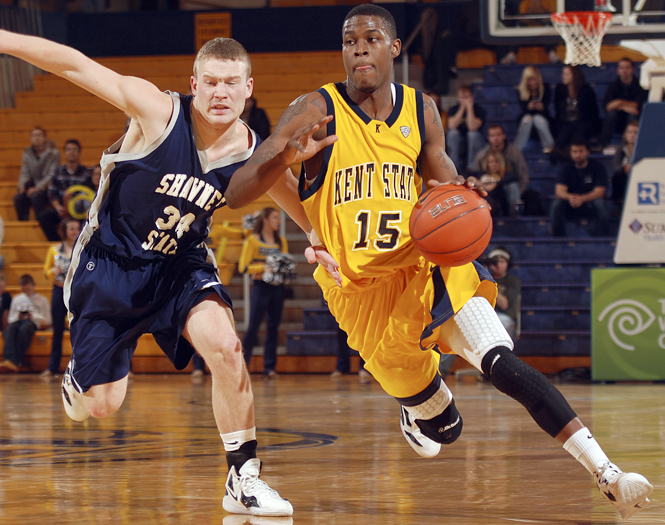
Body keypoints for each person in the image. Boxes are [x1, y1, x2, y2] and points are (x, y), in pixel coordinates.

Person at [226, 4, 652, 519]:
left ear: (394, 47)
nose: (359, 47)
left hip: (424, 267)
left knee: (502, 363)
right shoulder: (315, 109)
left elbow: (444, 178)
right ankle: (416, 409)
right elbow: (238, 192)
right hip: (361, 295)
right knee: (447, 430)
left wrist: (460, 192)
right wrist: (284, 158)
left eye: (371, 37)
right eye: (349, 40)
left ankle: (606, 472)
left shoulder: (421, 109)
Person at [0, 30, 325, 517]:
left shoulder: (252, 147)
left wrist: (318, 237)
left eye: (231, 83)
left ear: (248, 87)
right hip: (111, 264)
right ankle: (78, 377)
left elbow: (288, 190)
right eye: (211, 82)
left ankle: (244, 477)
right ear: (193, 83)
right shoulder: (157, 112)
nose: (220, 93)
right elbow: (74, 64)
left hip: (181, 264)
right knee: (102, 405)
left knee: (227, 347)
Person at [238, 207, 288, 379]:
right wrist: (263, 267)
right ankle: (243, 366)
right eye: (275, 217)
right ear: (265, 219)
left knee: (273, 328)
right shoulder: (252, 241)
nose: (278, 221)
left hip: (277, 288)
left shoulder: (281, 241)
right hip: (260, 287)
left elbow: (284, 264)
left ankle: (270, 368)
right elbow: (243, 267)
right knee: (253, 327)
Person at [40, 218, 82, 382]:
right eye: (71, 229)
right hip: (58, 290)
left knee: (78, 330)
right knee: (57, 330)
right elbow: (45, 272)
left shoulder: (82, 248)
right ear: (64, 231)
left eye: (76, 229)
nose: (74, 232)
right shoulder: (54, 249)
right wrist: (52, 271)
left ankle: (79, 366)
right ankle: (52, 367)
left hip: (76, 292)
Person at [550, 136, 610, 237]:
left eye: (581, 151)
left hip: (589, 203)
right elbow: (559, 191)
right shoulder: (566, 168)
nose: (577, 155)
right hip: (571, 204)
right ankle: (558, 239)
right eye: (574, 151)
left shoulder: (597, 167)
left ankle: (602, 238)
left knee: (600, 203)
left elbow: (600, 191)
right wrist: (571, 197)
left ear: (587, 152)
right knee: (556, 204)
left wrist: (582, 198)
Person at [38, 140, 91, 241]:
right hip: (62, 208)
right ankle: (58, 243)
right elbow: (52, 193)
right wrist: (58, 207)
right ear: (65, 152)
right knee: (43, 217)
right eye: (69, 149)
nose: (72, 152)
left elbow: (88, 194)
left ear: (79, 153)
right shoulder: (57, 172)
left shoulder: (86, 173)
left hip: (79, 210)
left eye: (75, 149)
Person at [471, 124, 529, 213]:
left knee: (512, 185)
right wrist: (482, 184)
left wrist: (518, 192)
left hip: (507, 189)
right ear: (489, 138)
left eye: (498, 135)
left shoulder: (514, 153)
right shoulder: (482, 155)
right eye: (492, 136)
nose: (496, 138)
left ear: (504, 136)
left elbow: (522, 174)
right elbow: (474, 173)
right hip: (487, 189)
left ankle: (515, 214)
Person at [0, 274, 51, 372]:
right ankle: (11, 360)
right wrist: (18, 316)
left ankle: (12, 361)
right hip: (18, 321)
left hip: (32, 322)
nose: (27, 292)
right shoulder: (17, 299)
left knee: (25, 328)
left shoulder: (42, 299)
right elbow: (10, 318)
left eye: (29, 289)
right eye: (24, 290)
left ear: (34, 285)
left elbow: (48, 319)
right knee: (9, 329)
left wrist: (33, 316)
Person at [600, 58, 647, 154]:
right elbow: (607, 107)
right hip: (618, 120)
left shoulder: (640, 86)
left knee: (632, 115)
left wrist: (619, 103)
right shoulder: (613, 86)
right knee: (611, 115)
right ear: (618, 70)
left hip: (633, 119)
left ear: (633, 70)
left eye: (627, 68)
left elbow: (637, 107)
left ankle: (631, 145)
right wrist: (625, 106)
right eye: (622, 68)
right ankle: (604, 145)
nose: (624, 70)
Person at [14, 127, 60, 221]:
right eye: (34, 135)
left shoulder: (53, 153)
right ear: (31, 138)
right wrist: (22, 185)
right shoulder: (27, 153)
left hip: (48, 188)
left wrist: (38, 187)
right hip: (32, 186)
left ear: (45, 138)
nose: (36, 138)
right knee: (18, 198)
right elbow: (24, 172)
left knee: (36, 196)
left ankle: (40, 221)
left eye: (39, 135)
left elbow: (52, 174)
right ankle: (23, 223)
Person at [553, 65, 601, 156]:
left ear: (574, 75)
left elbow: (592, 112)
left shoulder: (586, 90)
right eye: (563, 74)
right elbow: (558, 112)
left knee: (578, 136)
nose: (563, 76)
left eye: (566, 74)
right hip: (565, 124)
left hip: (583, 123)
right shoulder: (560, 90)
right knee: (562, 139)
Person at [514, 65, 554, 154]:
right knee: (527, 119)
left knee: (537, 119)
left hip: (543, 120)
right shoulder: (521, 91)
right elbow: (523, 109)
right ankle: (517, 149)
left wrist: (541, 107)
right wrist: (528, 107)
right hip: (528, 122)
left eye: (535, 79)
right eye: (530, 80)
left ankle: (549, 145)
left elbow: (546, 107)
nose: (533, 82)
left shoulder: (545, 88)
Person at [446, 84, 486, 173]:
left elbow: (472, 127)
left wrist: (469, 109)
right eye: (461, 98)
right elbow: (452, 126)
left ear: (472, 97)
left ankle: (472, 167)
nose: (464, 100)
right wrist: (462, 109)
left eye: (467, 98)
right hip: (459, 140)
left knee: (472, 134)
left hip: (476, 141)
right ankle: (454, 166)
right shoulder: (453, 109)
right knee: (453, 134)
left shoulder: (479, 110)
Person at [486, 246, 521, 340]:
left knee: (504, 323)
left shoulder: (513, 282)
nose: (498, 265)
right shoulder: (482, 279)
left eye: (502, 262)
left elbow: (504, 305)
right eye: (495, 262)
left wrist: (489, 284)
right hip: (485, 315)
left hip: (503, 316)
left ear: (507, 264)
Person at [611, 120, 638, 211]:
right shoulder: (621, 148)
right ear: (625, 134)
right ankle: (620, 205)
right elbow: (615, 167)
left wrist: (634, 168)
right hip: (624, 176)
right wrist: (625, 168)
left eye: (635, 132)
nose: (632, 135)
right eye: (629, 132)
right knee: (617, 177)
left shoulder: (644, 148)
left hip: (639, 176)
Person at [478, 150, 513, 217]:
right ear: (487, 164)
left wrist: (496, 184)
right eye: (491, 162)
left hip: (500, 204)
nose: (493, 164)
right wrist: (482, 185)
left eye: (496, 162)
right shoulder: (482, 174)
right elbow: (468, 176)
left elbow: (514, 176)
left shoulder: (505, 174)